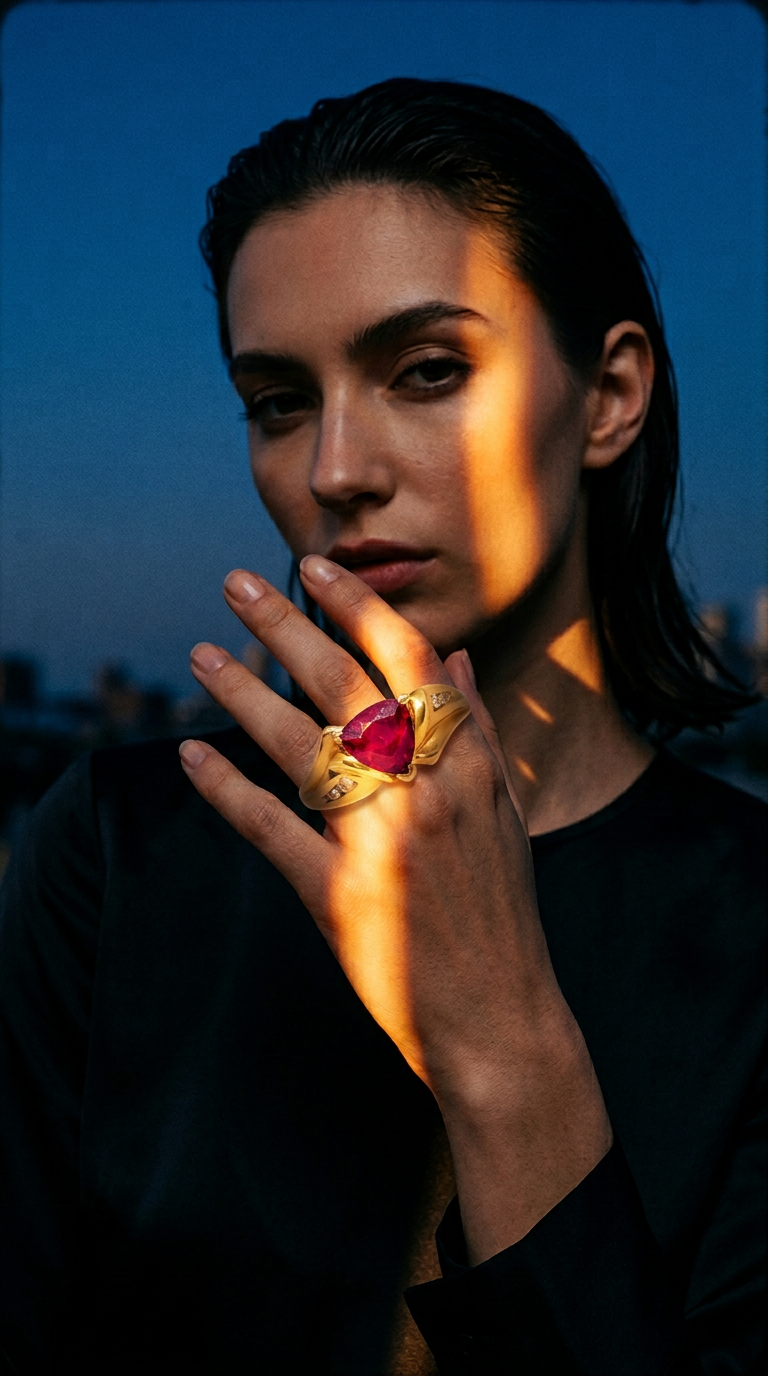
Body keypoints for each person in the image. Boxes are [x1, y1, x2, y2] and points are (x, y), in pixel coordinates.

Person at [0, 79, 764, 1376]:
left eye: (428, 371)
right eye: (277, 400)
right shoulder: (119, 849)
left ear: (608, 396)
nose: (335, 469)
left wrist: (503, 1045)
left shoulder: (749, 923)